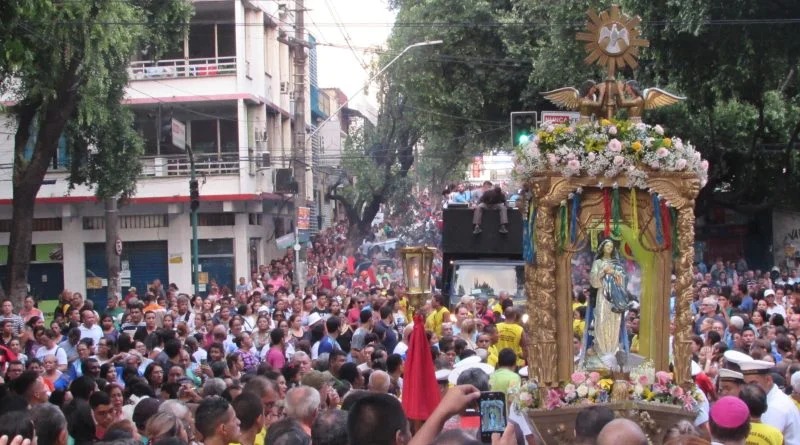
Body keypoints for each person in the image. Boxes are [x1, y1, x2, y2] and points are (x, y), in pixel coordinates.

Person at [589, 239, 631, 360]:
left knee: (614, 322)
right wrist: (603, 272)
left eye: (611, 246)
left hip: (615, 297)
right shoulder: (597, 262)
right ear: (602, 247)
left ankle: (612, 348)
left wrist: (615, 274)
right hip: (603, 295)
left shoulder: (616, 264)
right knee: (602, 320)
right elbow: (593, 281)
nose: (609, 248)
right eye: (607, 245)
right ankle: (602, 349)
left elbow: (623, 280)